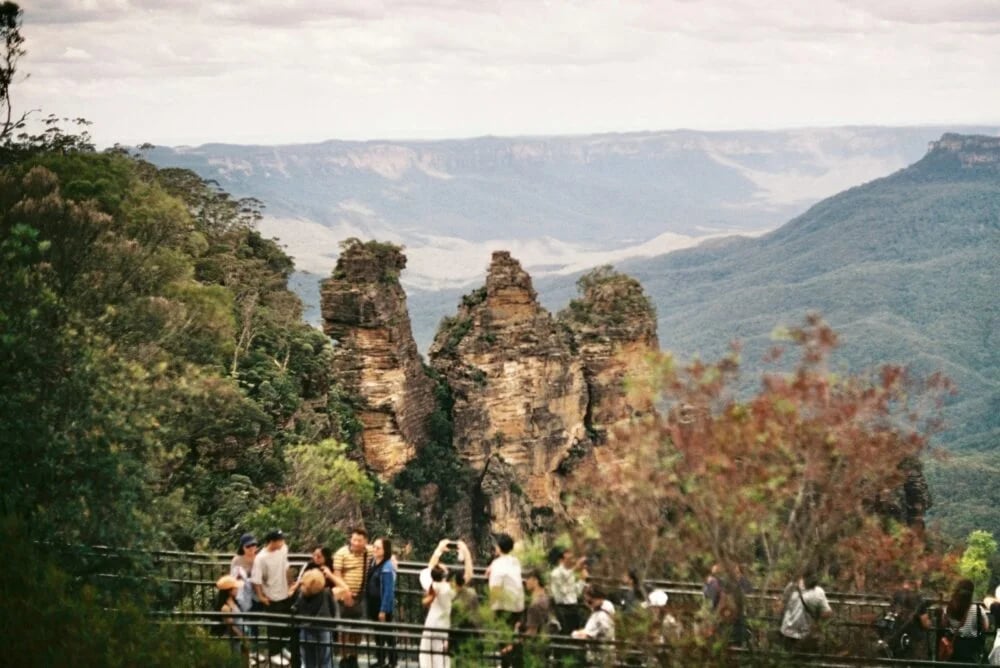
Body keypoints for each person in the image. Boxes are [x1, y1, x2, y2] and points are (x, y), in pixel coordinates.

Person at [419, 539, 471, 668]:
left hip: (431, 621)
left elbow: (430, 567)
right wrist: (466, 552)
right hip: (444, 622)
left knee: (428, 650)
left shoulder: (432, 585)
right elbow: (468, 575)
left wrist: (439, 549)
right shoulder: (450, 589)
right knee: (441, 655)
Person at [252, 529, 297, 664]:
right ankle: (274, 653)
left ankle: (282, 647)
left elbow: (286, 567)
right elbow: (256, 580)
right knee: (274, 626)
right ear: (272, 541)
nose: (283, 542)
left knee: (285, 625)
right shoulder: (261, 558)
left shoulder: (283, 549)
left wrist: (291, 584)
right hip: (272, 595)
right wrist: (261, 596)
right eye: (280, 540)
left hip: (285, 593)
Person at [333, 528, 373, 668]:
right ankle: (344, 657)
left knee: (357, 628)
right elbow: (336, 574)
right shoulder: (341, 553)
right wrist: (345, 592)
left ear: (365, 542)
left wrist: (392, 559)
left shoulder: (369, 552)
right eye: (354, 539)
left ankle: (353, 656)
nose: (355, 543)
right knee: (343, 628)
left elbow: (384, 553)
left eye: (359, 540)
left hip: (360, 596)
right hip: (344, 595)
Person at [487, 533, 524, 668]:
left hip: (503, 608)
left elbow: (495, 588)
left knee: (504, 641)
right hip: (517, 607)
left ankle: (506, 665)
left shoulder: (497, 565)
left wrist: (491, 609)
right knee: (514, 640)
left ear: (498, 548)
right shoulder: (515, 562)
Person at [291, 569, 340, 668]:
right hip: (323, 629)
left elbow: (295, 609)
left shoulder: (301, 595)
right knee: (325, 661)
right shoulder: (326, 593)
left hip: (306, 630)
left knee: (308, 661)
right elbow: (333, 610)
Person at [779, 569, 832, 653]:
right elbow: (827, 613)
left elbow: (781, 607)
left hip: (788, 632)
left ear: (801, 577)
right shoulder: (818, 592)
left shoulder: (791, 587)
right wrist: (817, 620)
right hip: (808, 634)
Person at [366, 537, 397, 668]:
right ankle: (380, 659)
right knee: (378, 633)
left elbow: (388, 590)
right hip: (373, 603)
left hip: (382, 604)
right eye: (374, 547)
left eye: (378, 548)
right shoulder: (373, 562)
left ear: (385, 550)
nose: (375, 549)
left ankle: (392, 661)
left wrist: (383, 609)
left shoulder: (387, 566)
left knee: (387, 633)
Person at [940, 578, 988, 663]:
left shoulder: (949, 608)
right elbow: (985, 627)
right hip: (971, 649)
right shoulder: (977, 609)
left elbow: (944, 624)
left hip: (954, 648)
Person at [882, 578, 931, 659]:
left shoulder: (897, 595)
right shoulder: (919, 599)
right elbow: (925, 623)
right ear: (916, 582)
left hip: (897, 635)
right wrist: (930, 623)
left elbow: (891, 611)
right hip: (914, 638)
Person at [548, 546, 588, 638]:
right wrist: (575, 569)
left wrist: (582, 580)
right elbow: (563, 590)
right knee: (565, 635)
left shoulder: (569, 573)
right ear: (561, 559)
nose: (572, 558)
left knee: (574, 634)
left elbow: (575, 592)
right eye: (568, 555)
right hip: (562, 609)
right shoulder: (555, 573)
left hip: (573, 607)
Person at [572, 584, 616, 665]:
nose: (588, 604)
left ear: (599, 598)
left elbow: (586, 635)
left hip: (598, 657)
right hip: (609, 652)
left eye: (590, 602)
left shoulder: (599, 617)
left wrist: (575, 634)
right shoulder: (608, 605)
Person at [216, 574, 248, 659]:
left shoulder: (234, 602)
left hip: (238, 639)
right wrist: (243, 637)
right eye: (235, 588)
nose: (237, 589)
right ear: (229, 591)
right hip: (232, 640)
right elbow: (231, 626)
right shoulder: (225, 607)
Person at [230, 533, 258, 616]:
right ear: (242, 547)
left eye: (253, 545)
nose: (251, 548)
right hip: (242, 593)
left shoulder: (259, 558)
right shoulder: (237, 560)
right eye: (248, 546)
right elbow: (233, 578)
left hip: (257, 591)